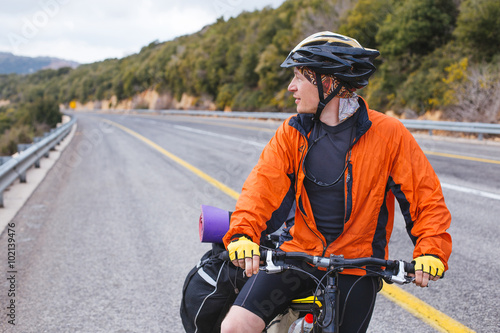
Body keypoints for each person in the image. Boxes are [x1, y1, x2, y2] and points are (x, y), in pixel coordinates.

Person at [220, 31, 452, 333]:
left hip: (356, 267)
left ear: (328, 82)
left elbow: (426, 200)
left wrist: (431, 251)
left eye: (300, 78)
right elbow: (260, 190)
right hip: (297, 258)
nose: (291, 87)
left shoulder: (389, 134)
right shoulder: (292, 133)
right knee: (236, 326)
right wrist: (242, 235)